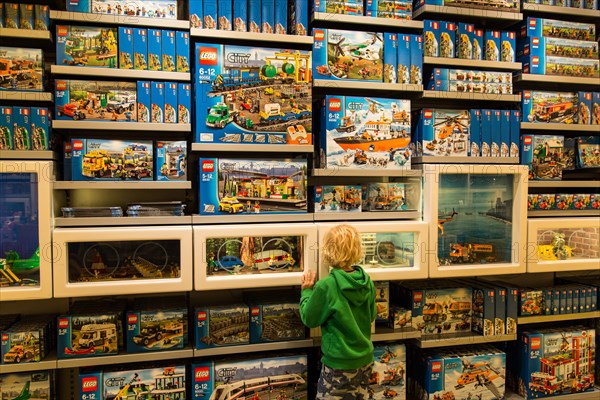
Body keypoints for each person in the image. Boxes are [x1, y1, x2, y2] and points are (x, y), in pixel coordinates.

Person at [300, 224, 376, 399]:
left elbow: (309, 319)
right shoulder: (367, 281)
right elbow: (371, 315)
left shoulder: (327, 285)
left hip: (339, 365)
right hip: (365, 361)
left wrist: (306, 291)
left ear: (327, 250)